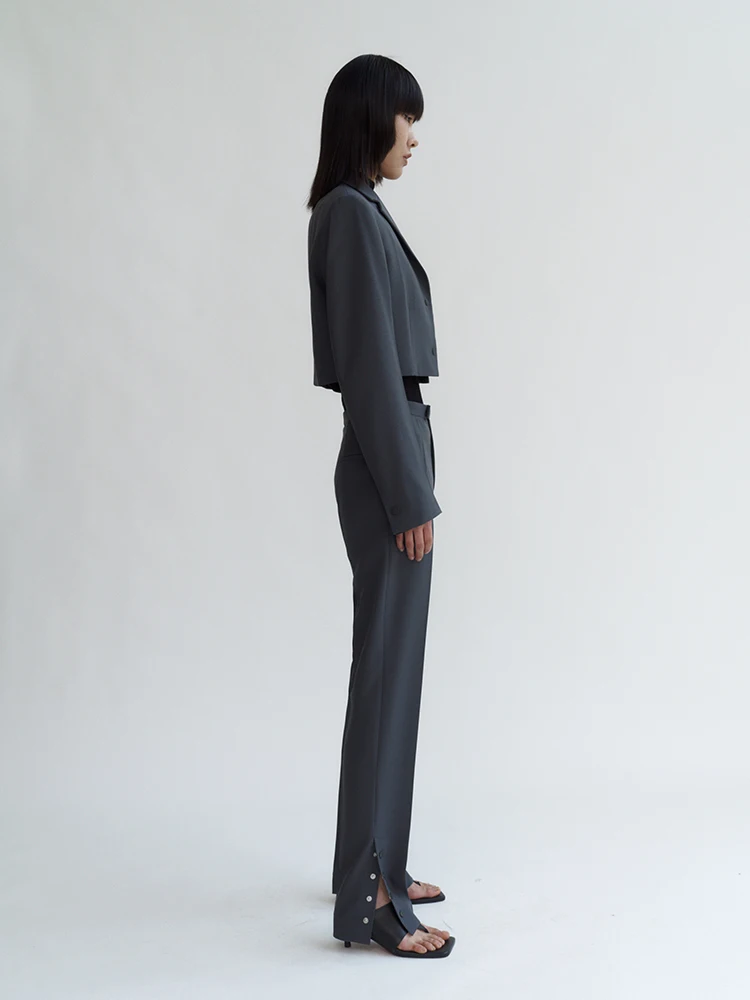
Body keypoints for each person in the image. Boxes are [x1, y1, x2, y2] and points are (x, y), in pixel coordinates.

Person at [305, 54, 456, 959]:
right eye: (406, 118)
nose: (413, 137)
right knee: (387, 679)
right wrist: (410, 493)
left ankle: (372, 865)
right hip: (386, 453)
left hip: (391, 445)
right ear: (371, 119)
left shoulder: (352, 210)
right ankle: (371, 898)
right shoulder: (352, 216)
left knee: (385, 675)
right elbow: (368, 371)